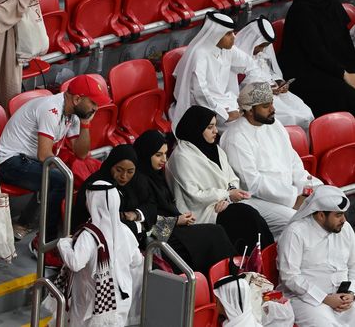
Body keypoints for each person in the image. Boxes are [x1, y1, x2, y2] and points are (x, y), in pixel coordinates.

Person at [77, 138, 236, 275]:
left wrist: (137, 214)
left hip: (157, 231)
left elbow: (150, 207)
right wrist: (173, 221)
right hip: (146, 239)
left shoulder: (141, 180)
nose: (124, 176)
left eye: (130, 171)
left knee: (215, 234)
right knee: (209, 238)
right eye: (119, 170)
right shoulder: (98, 187)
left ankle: (230, 277)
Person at [0, 75, 108, 242]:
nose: (96, 108)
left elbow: (81, 153)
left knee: (62, 174)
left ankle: (24, 224)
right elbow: (44, 155)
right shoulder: (51, 109)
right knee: (60, 179)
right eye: (93, 102)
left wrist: (85, 124)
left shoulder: (75, 113)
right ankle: (48, 239)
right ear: (77, 99)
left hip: (29, 160)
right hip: (8, 162)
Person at [165, 105, 275, 253]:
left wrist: (227, 197)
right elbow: (194, 195)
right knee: (243, 219)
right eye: (210, 127)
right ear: (197, 128)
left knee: (251, 217)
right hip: (200, 213)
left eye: (215, 126)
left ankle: (264, 258)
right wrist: (226, 194)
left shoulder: (215, 149)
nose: (216, 131)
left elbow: (231, 179)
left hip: (222, 205)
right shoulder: (182, 157)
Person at [221, 81, 324, 238]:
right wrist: (293, 198)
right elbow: (252, 184)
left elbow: (293, 161)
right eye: (266, 106)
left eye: (272, 104)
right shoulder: (236, 137)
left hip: (290, 192)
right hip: (256, 200)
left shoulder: (275, 125)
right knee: (299, 222)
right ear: (249, 110)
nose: (273, 109)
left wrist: (310, 188)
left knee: (330, 201)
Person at [53, 181, 143, 326]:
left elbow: (75, 263)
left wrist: (63, 244)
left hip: (94, 304)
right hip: (121, 300)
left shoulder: (88, 235)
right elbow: (137, 261)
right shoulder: (125, 230)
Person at [170, 11, 271, 127]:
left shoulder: (227, 49)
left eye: (233, 33)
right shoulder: (200, 55)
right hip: (201, 107)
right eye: (228, 34)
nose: (234, 37)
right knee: (242, 125)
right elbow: (199, 93)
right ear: (216, 35)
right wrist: (225, 114)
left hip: (223, 101)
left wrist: (251, 94)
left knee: (259, 117)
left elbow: (251, 65)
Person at [278, 0, 355, 116]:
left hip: (334, 63)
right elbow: (316, 52)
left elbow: (344, 42)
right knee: (345, 94)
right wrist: (344, 74)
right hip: (307, 70)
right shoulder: (301, 13)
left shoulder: (331, 3)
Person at [277, 185, 355, 327]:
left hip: (344, 298)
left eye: (343, 214)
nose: (343, 220)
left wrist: (352, 293)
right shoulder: (295, 233)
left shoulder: (346, 229)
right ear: (320, 215)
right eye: (338, 215)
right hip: (306, 299)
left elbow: (353, 266)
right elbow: (290, 277)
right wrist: (324, 298)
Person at [234, 16, 313, 129]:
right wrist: (267, 89)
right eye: (261, 46)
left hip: (275, 93)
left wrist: (280, 82)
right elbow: (240, 88)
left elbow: (270, 71)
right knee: (290, 116)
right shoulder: (237, 58)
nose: (262, 50)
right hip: (257, 99)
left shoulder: (261, 55)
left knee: (305, 112)